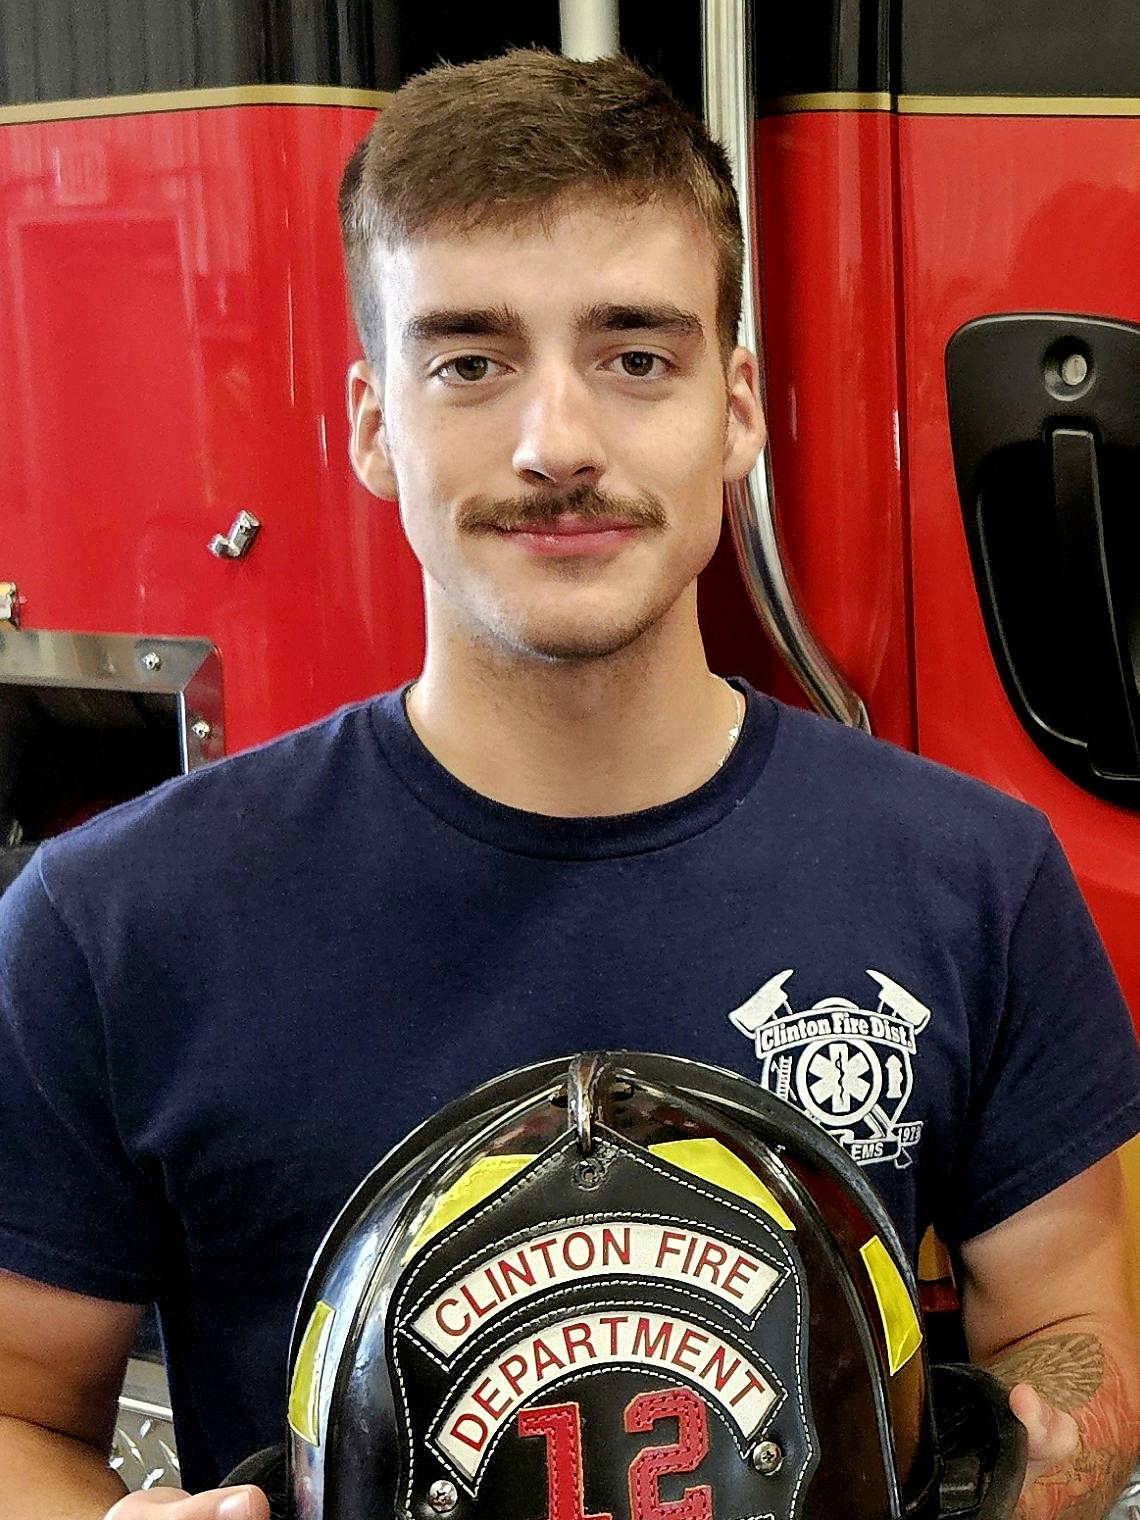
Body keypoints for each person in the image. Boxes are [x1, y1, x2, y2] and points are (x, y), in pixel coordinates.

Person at [0, 47, 1136, 1520]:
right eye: (469, 361)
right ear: (369, 421)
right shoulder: (111, 925)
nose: (557, 445)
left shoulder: (977, 877)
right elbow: (19, 1409)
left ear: (737, 412)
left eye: (634, 355)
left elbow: (1078, 1326)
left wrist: (1030, 1475)